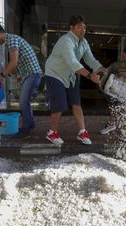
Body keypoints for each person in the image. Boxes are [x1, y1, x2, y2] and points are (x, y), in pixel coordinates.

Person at [44, 15, 105, 145]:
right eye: (79, 27)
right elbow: (73, 62)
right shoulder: (66, 41)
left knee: (76, 103)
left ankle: (82, 132)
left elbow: (90, 59)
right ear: (71, 28)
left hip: (71, 75)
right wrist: (89, 76)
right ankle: (52, 133)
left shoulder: (83, 42)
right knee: (60, 104)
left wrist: (103, 70)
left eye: (84, 27)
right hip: (55, 73)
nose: (82, 30)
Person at [0, 23, 42, 139]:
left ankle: (25, 130)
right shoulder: (11, 40)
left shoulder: (11, 40)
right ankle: (30, 125)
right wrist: (18, 74)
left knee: (23, 102)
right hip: (29, 74)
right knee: (25, 102)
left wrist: (1, 75)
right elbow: (19, 61)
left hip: (32, 74)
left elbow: (14, 62)